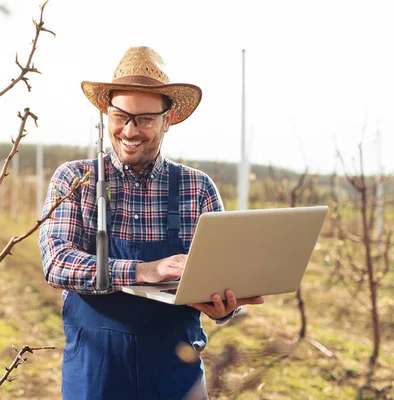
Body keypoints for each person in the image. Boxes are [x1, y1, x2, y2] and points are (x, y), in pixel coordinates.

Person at [38, 46, 264, 400]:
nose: (129, 130)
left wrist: (225, 307)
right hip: (95, 376)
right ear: (105, 114)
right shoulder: (76, 181)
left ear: (167, 120)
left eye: (143, 119)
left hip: (175, 378)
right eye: (119, 116)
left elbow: (221, 276)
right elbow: (57, 264)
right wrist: (145, 270)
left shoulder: (198, 188)